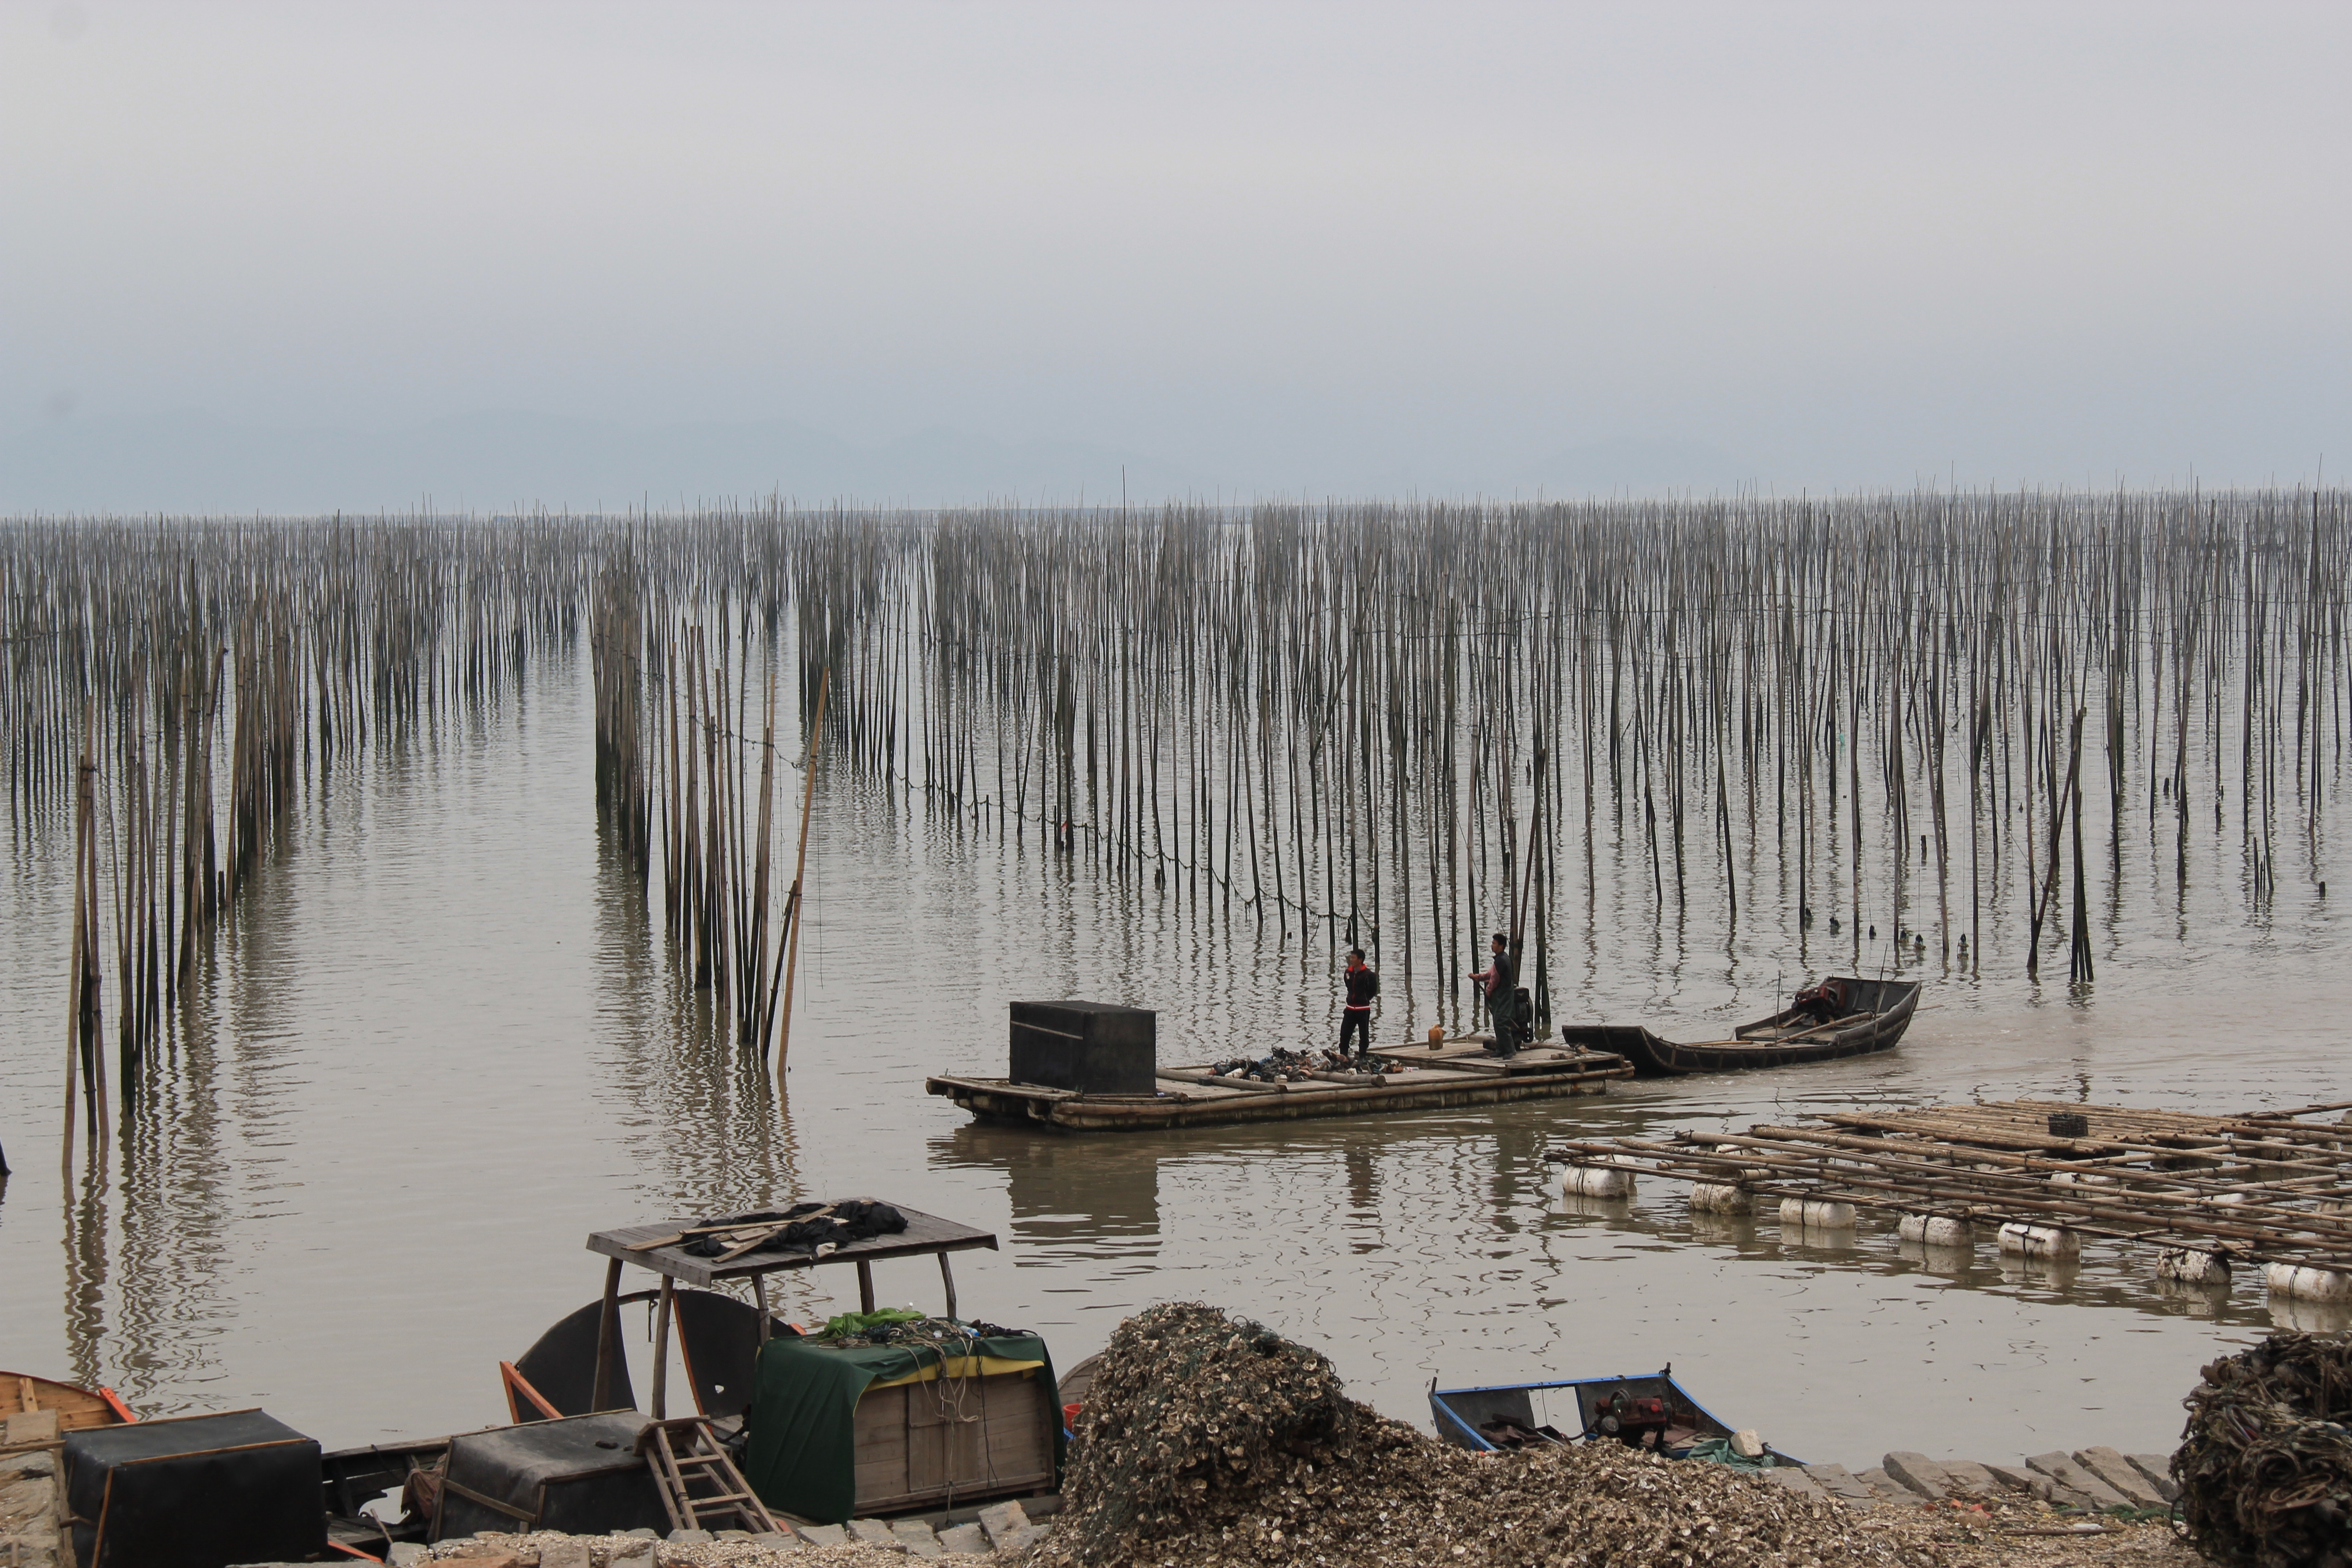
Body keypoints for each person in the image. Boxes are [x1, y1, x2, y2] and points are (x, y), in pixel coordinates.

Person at [1470, 931, 1518, 1052]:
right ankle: (1501, 1050)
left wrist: (1488, 992)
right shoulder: (1500, 959)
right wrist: (1478, 977)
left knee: (1501, 1022)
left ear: (1501, 946)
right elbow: (1491, 974)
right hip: (1500, 996)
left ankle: (1510, 1050)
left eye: (1494, 943)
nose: (1492, 945)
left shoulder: (1502, 960)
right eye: (1492, 943)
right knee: (1497, 1022)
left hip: (1504, 996)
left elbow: (1494, 980)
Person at [1339, 948, 1378, 1063]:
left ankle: (1362, 1057)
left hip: (1363, 1009)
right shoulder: (1348, 973)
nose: (1351, 960)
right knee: (1345, 1034)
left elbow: (1373, 991)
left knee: (1364, 1035)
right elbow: (1348, 986)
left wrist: (1364, 999)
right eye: (1351, 958)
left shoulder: (1369, 975)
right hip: (1350, 1008)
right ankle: (1343, 1056)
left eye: (1354, 958)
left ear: (1360, 960)